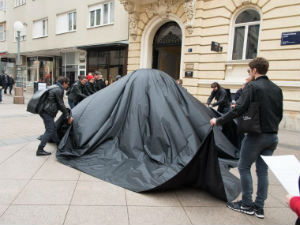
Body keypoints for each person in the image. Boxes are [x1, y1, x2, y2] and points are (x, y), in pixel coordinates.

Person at [210, 57, 283, 219]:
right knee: (262, 171)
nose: (249, 73)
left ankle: (246, 204)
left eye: (250, 71)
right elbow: (279, 114)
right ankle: (259, 207)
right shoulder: (276, 89)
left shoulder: (253, 86)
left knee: (243, 167)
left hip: (256, 136)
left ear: (254, 70)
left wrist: (218, 120)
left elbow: (238, 110)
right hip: (272, 136)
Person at [37, 76, 73, 156]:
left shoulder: (54, 87)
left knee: (52, 129)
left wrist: (66, 112)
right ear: (63, 83)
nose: (67, 86)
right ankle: (40, 150)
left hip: (44, 111)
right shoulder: (59, 90)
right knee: (50, 130)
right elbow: (60, 103)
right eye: (67, 84)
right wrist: (68, 116)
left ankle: (59, 144)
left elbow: (58, 103)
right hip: (47, 112)